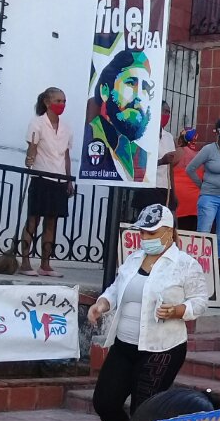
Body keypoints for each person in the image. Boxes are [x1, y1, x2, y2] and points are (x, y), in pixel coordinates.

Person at [88, 204, 208, 421]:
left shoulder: (185, 264)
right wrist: (102, 304)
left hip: (162, 348)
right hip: (125, 344)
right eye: (142, 231)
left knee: (144, 412)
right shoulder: (134, 258)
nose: (145, 236)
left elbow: (200, 300)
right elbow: (116, 290)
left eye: (152, 231)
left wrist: (180, 309)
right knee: (105, 402)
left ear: (169, 232)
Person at [19, 87, 73, 277]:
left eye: (64, 101)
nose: (62, 105)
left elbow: (66, 155)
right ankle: (25, 262)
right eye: (58, 101)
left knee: (52, 222)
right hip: (41, 177)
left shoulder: (66, 128)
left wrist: (68, 180)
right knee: (33, 220)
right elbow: (32, 148)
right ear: (47, 103)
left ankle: (45, 264)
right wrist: (29, 159)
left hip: (58, 178)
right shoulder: (37, 123)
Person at [80, 50, 154, 182]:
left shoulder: (141, 156)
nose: (139, 96)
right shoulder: (89, 137)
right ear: (105, 91)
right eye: (131, 83)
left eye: (145, 87)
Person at [186, 118, 220, 290]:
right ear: (217, 132)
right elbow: (190, 169)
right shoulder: (208, 149)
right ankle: (198, 273)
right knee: (204, 233)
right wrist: (202, 186)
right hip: (210, 197)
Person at [132, 100, 178, 214]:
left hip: (164, 188)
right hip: (148, 186)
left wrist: (173, 192)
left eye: (168, 112)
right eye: (164, 111)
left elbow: (170, 168)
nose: (167, 115)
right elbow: (139, 163)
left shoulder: (169, 137)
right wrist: (161, 161)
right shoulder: (144, 134)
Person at [173, 127, 203, 231]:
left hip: (178, 200)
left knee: (178, 233)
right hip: (195, 202)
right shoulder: (201, 155)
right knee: (192, 235)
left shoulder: (178, 152)